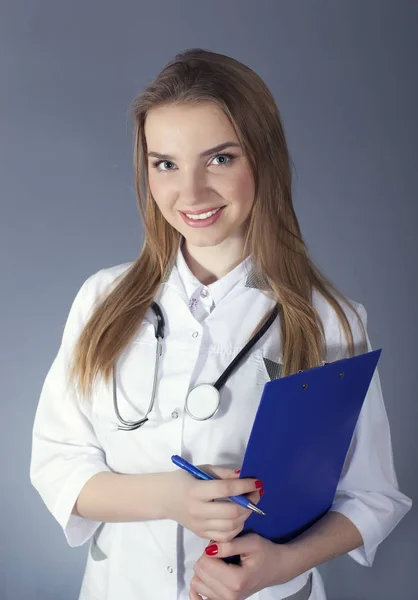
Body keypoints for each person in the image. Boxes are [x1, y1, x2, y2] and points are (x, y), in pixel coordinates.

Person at [30, 48, 412, 600]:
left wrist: (282, 564)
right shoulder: (101, 300)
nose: (191, 193)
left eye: (219, 159)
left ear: (263, 158)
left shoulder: (331, 321)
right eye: (166, 164)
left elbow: (373, 497)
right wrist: (171, 498)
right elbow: (57, 464)